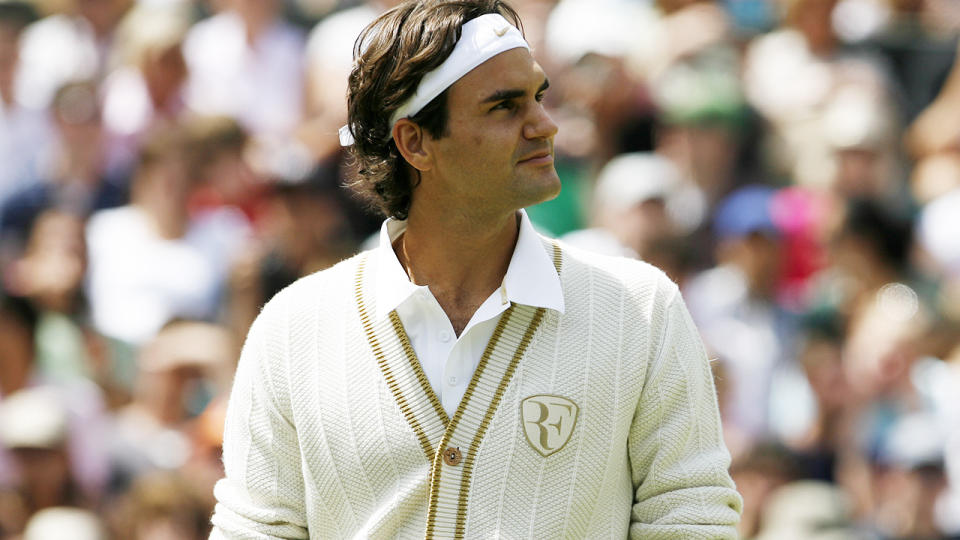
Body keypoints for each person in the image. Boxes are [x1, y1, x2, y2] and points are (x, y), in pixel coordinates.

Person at [209, 1, 742, 538]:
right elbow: (255, 530)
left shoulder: (641, 310)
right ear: (415, 142)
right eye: (505, 107)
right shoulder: (293, 328)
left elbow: (691, 517)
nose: (546, 125)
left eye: (537, 96)